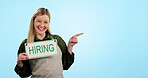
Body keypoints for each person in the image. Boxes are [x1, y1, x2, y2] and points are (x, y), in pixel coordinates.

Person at [14, 8, 83, 78]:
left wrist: (70, 46)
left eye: (45, 22)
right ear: (33, 22)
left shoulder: (57, 40)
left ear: (49, 23)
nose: (42, 25)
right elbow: (25, 74)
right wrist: (19, 62)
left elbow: (65, 65)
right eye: (39, 21)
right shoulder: (26, 44)